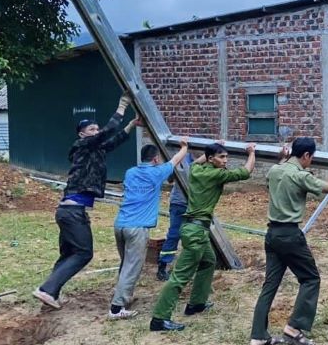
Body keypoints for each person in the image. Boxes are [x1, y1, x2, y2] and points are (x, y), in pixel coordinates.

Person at [33, 94, 137, 309]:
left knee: (69, 254)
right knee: (84, 253)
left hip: (68, 211)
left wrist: (131, 125)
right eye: (92, 130)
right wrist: (122, 107)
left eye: (96, 129)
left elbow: (112, 141)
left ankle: (50, 293)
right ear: (82, 134)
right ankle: (46, 290)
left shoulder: (93, 150)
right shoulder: (82, 145)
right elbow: (108, 132)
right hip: (73, 213)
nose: (97, 132)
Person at [249, 137, 328, 345]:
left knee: (270, 284)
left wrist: (281, 160)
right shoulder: (300, 175)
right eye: (310, 158)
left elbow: (274, 175)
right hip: (290, 236)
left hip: (272, 234)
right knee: (310, 278)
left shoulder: (276, 170)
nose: (310, 161)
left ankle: (258, 335)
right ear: (306, 156)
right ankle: (294, 328)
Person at [150, 141, 257, 332]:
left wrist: (213, 148)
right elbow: (245, 172)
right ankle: (159, 318)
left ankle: (196, 303)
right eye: (221, 157)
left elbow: (196, 163)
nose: (225, 160)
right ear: (211, 159)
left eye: (226, 157)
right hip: (197, 232)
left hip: (194, 228)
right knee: (180, 277)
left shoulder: (197, 170)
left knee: (209, 261)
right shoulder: (216, 175)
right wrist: (251, 153)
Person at [108, 138, 189, 320]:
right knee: (132, 267)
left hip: (120, 224)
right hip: (137, 228)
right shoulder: (157, 172)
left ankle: (122, 297)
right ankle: (116, 308)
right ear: (155, 159)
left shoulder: (130, 172)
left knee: (125, 263)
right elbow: (175, 160)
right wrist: (184, 147)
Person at [157, 150, 201, 281]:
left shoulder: (210, 160)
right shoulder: (182, 158)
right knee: (174, 234)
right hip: (179, 203)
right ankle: (163, 265)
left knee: (194, 236)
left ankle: (190, 266)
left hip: (196, 205)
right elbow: (170, 179)